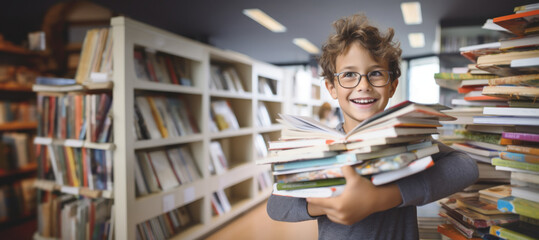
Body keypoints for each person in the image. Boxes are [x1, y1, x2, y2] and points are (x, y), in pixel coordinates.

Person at [266, 13, 478, 239]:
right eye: (349, 75)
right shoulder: (321, 149)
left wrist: (378, 199)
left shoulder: (408, 139)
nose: (363, 85)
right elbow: (276, 205)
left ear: (393, 85)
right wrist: (332, 205)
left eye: (375, 73)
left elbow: (466, 167)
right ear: (332, 88)